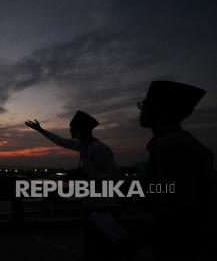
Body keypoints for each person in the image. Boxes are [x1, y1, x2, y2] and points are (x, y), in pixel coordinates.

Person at [26, 111, 120, 261]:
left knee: (103, 246)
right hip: (91, 203)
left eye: (72, 128)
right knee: (94, 244)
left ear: (80, 130)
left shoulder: (100, 148)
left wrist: (87, 177)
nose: (69, 131)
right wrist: (41, 130)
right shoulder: (83, 145)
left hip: (103, 205)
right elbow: (61, 141)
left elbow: (114, 175)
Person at [137, 80, 216, 260]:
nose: (141, 110)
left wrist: (137, 239)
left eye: (145, 105)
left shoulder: (170, 145)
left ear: (159, 109)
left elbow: (179, 208)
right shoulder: (175, 142)